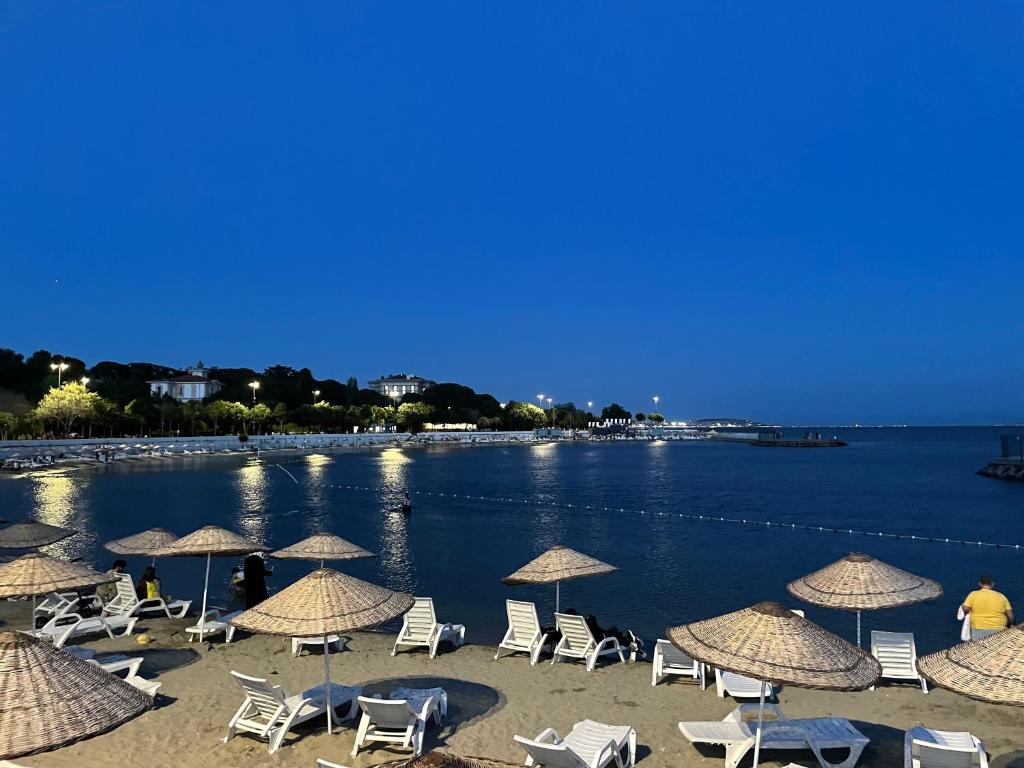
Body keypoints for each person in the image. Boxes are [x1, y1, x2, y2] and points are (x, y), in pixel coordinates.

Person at [962, 575, 1014, 640]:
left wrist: (967, 612)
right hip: (999, 629)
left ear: (980, 584)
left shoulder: (973, 594)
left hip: (979, 628)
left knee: (979, 648)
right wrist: (1011, 623)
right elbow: (1010, 613)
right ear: (992, 584)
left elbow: (965, 608)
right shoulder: (1001, 596)